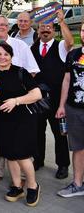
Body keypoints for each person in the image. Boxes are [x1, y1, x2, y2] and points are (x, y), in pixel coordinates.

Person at [0, 42, 42, 206]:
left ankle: (32, 186)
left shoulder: (20, 72)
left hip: (22, 119)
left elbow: (37, 94)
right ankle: (17, 187)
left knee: (22, 156)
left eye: (5, 54)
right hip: (2, 119)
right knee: (9, 154)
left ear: (11, 56)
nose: (2, 57)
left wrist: (16, 101)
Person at [31, 10, 73, 179]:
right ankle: (38, 159)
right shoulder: (32, 48)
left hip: (57, 99)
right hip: (38, 98)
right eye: (42, 27)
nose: (45, 30)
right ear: (38, 30)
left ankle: (62, 165)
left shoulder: (61, 47)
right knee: (37, 131)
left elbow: (70, 41)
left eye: (48, 27)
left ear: (54, 30)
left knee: (59, 133)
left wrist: (62, 21)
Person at [55, 22, 84, 198]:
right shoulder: (73, 54)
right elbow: (66, 81)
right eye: (83, 30)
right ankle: (78, 184)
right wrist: (61, 105)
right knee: (78, 148)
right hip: (74, 109)